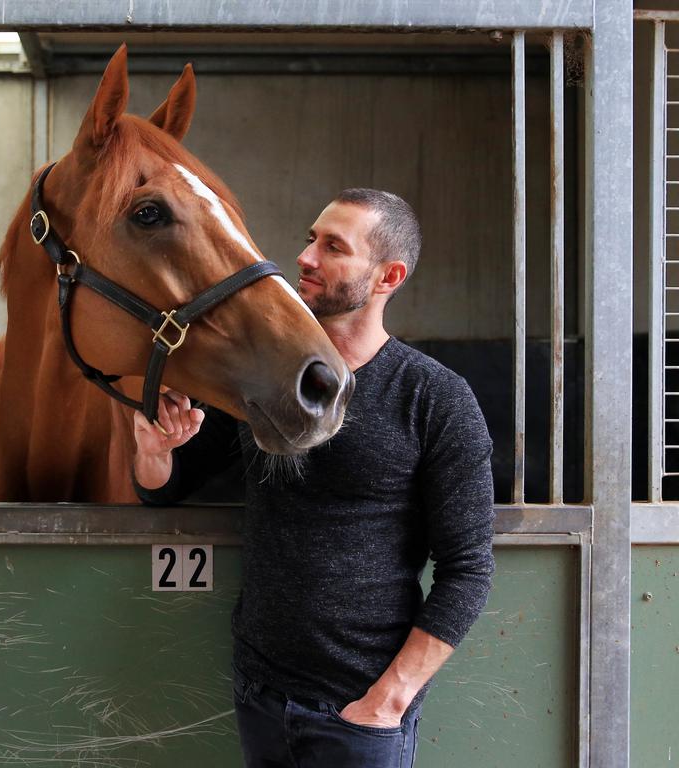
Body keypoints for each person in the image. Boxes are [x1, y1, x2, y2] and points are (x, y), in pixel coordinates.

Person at [132, 189, 495, 768]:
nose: (305, 257)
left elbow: (468, 568)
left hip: (360, 712)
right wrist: (154, 448)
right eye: (309, 238)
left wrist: (388, 700)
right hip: (260, 693)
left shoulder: (435, 398)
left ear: (387, 276)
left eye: (333, 247)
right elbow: (165, 487)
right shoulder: (264, 380)